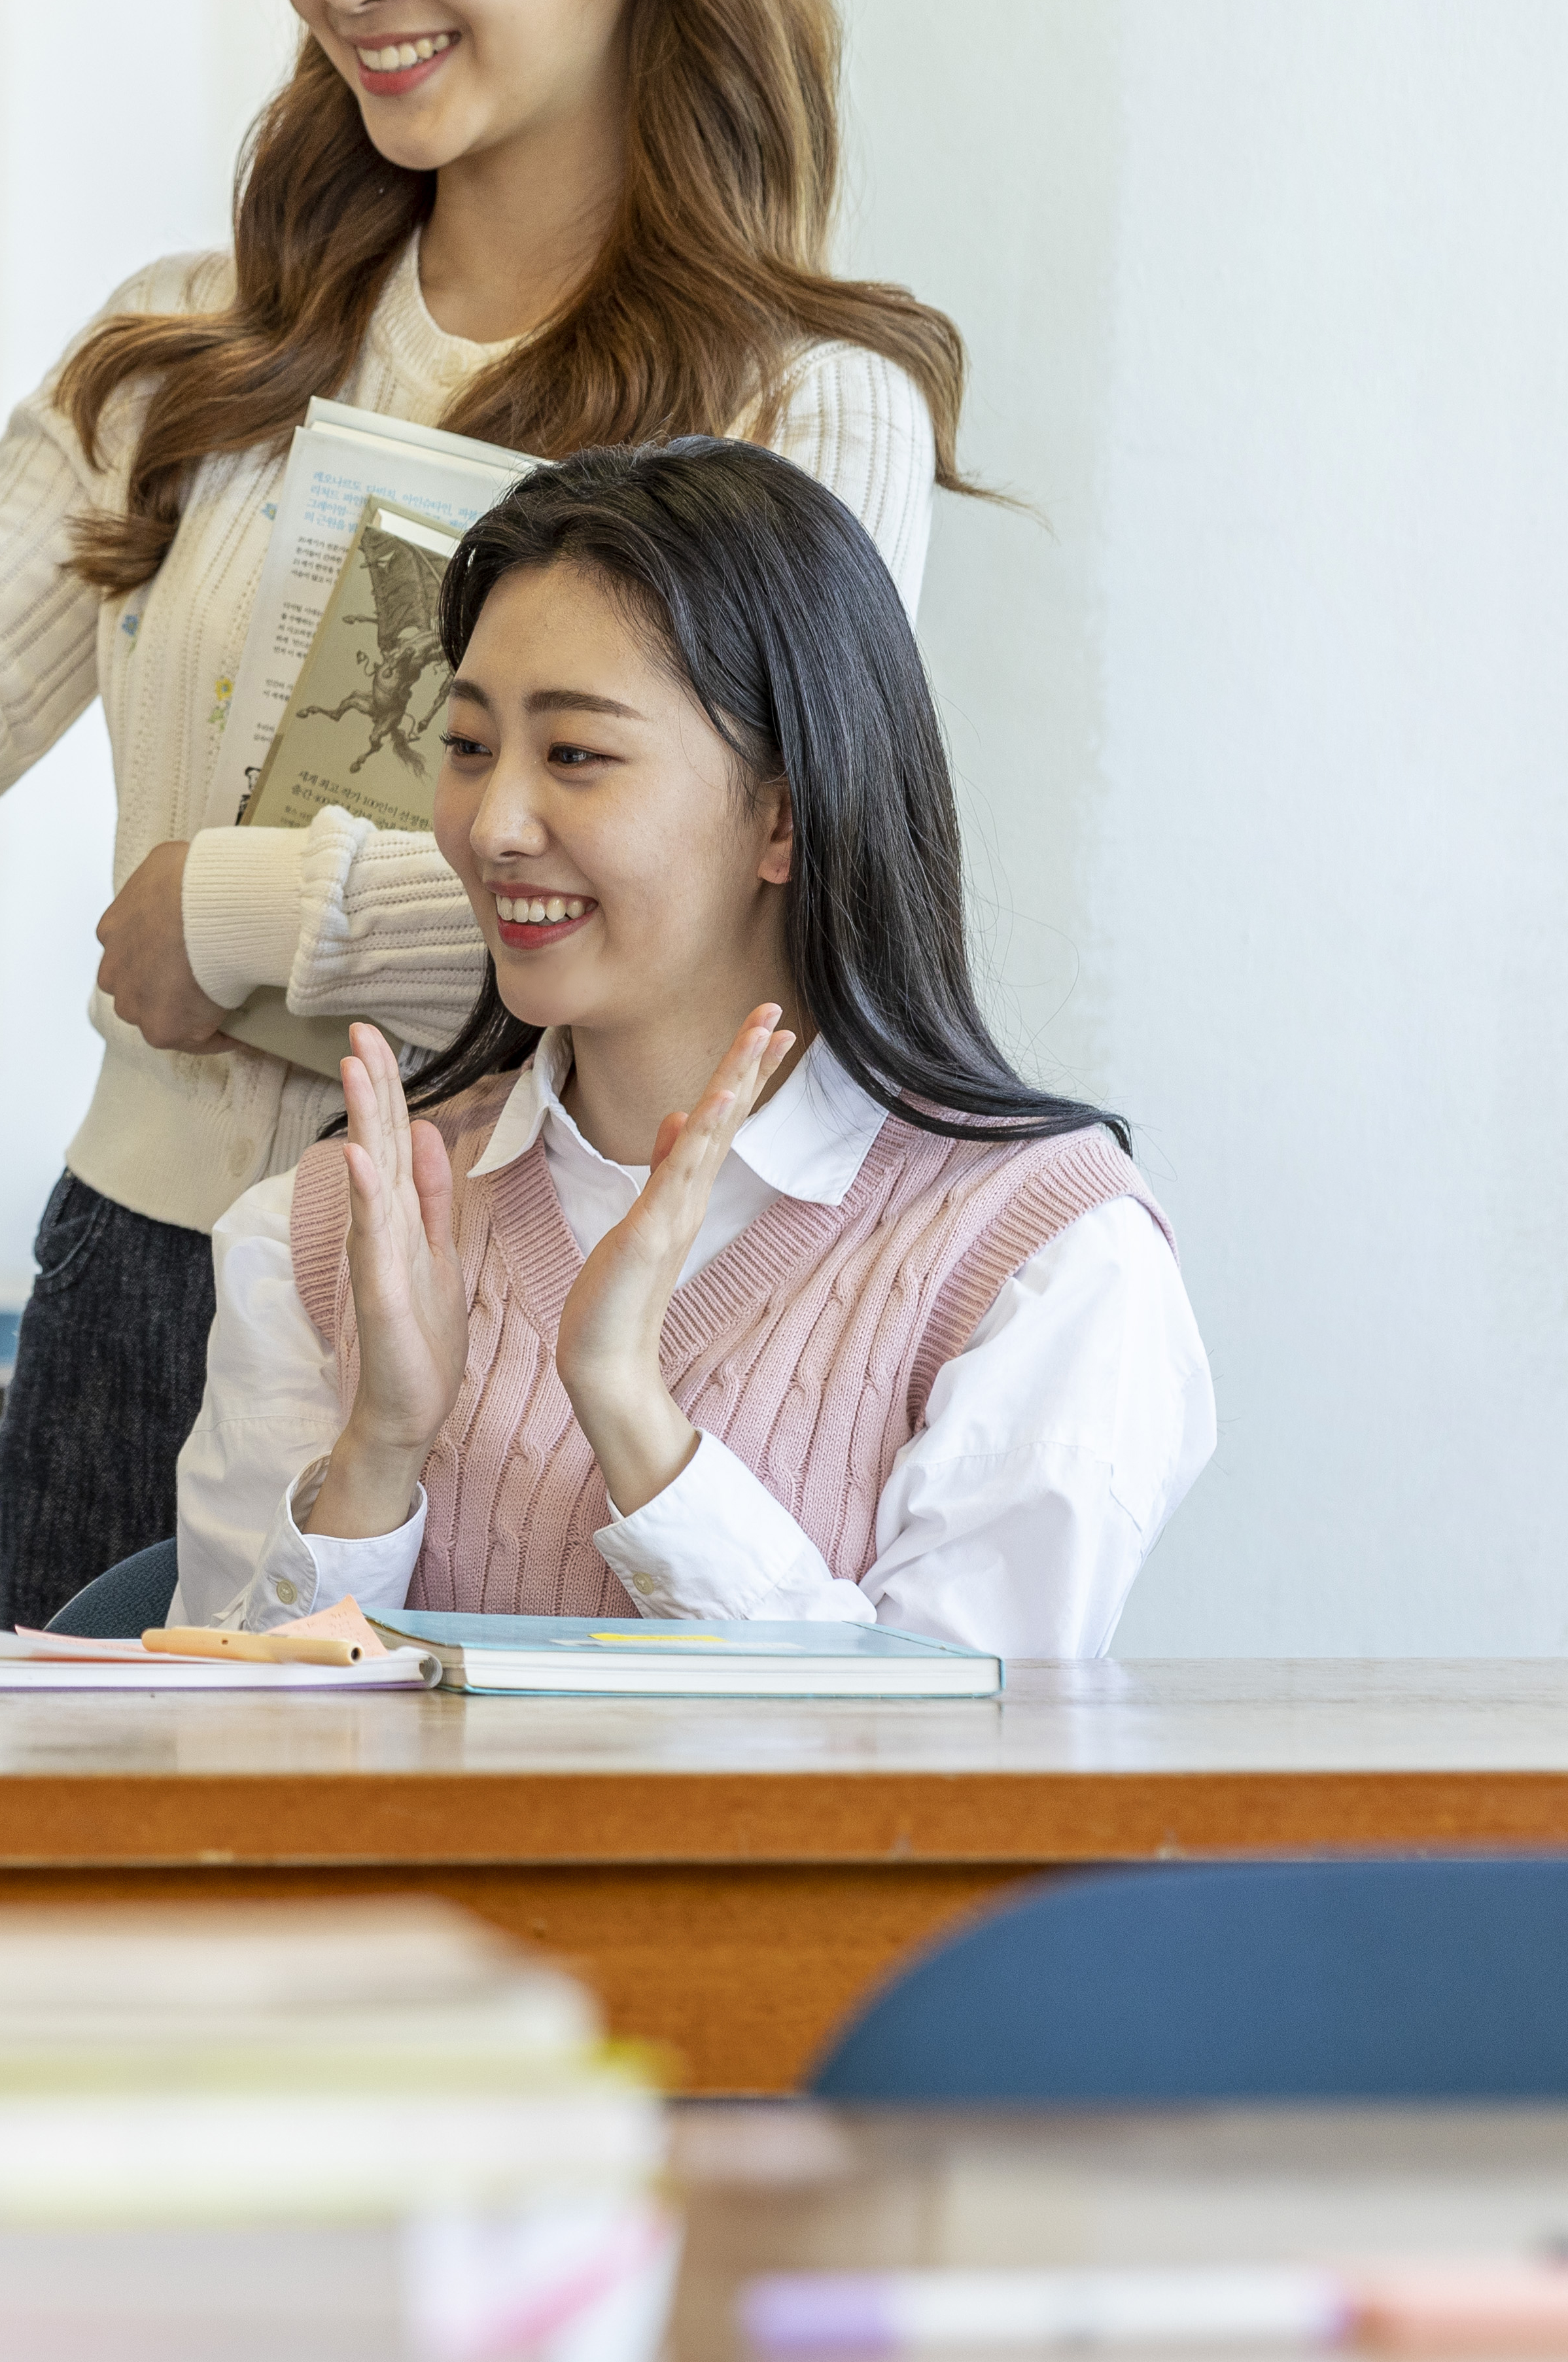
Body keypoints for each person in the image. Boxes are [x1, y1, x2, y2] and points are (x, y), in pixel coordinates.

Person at [0, 0, 973, 1624]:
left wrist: (231, 911)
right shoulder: (182, 342)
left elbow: (737, 911)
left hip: (540, 1299)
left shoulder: (800, 412)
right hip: (141, 1276)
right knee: (114, 1921)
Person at [169, 440, 1210, 1654]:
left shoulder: (1051, 1258)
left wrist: (634, 1420)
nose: (493, 824)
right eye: (467, 747)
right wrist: (381, 1450)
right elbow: (227, 1761)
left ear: (783, 817)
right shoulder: (321, 1232)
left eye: (575, 755)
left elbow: (950, 1777)